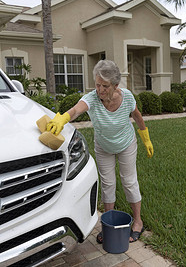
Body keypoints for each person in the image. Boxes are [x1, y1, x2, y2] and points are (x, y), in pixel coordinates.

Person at [47, 60, 154, 243]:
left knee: (129, 181)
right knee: (108, 183)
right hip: (104, 146)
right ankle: (109, 222)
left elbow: (136, 115)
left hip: (126, 143)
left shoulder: (127, 97)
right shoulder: (92, 98)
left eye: (105, 86)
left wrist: (146, 138)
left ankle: (138, 221)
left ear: (115, 85)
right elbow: (75, 111)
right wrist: (63, 119)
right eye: (97, 84)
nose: (100, 90)